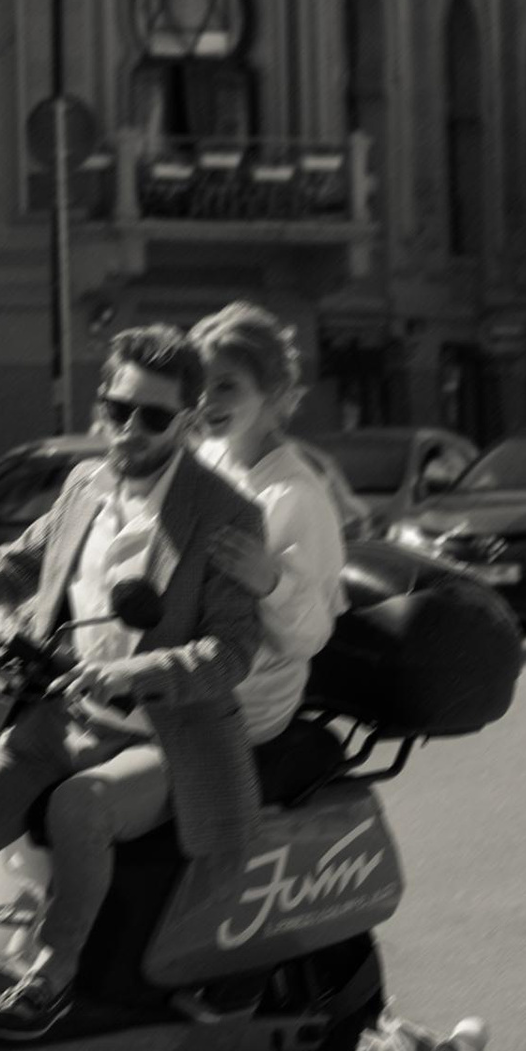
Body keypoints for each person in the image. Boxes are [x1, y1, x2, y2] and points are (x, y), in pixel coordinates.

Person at [0, 325, 270, 1042]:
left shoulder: (223, 511)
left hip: (169, 738)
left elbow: (232, 651)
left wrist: (128, 671)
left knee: (79, 807)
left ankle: (54, 974)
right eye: (117, 408)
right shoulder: (85, 485)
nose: (128, 428)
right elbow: (12, 565)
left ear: (189, 420)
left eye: (153, 415)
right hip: (65, 719)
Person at [189, 303, 348, 745]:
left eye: (226, 386)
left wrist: (271, 581)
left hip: (249, 701)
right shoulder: (209, 459)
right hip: (187, 679)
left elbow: (310, 636)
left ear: (272, 392)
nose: (206, 402)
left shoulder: (295, 495)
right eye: (199, 386)